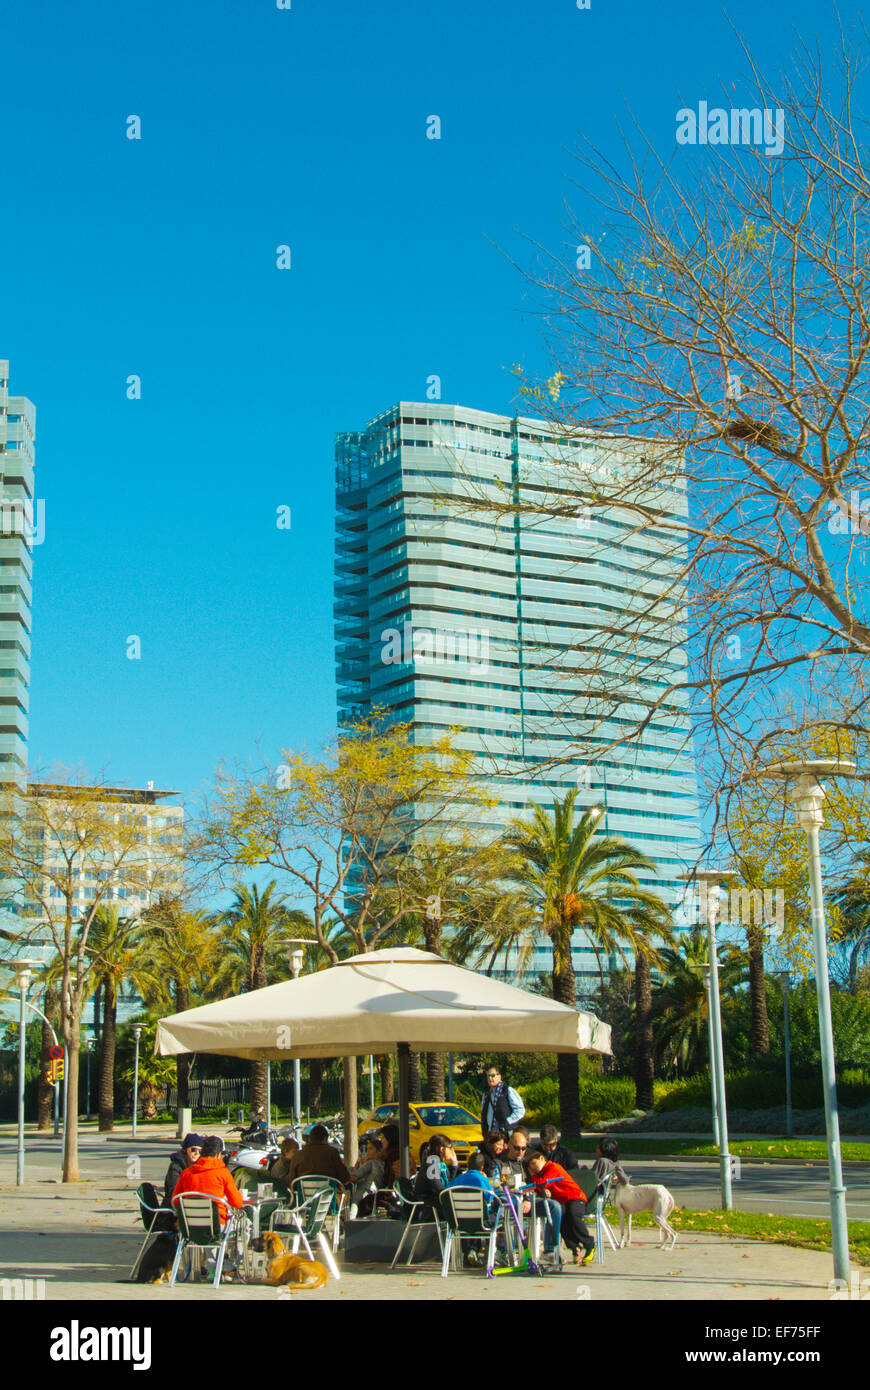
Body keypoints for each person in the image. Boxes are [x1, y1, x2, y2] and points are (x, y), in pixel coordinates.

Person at [524, 1148, 595, 1265]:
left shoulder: (553, 1168)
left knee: (573, 1214)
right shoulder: (541, 1174)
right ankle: (574, 1246)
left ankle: (589, 1244)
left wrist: (534, 1178)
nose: (533, 1168)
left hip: (575, 1197)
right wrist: (544, 1191)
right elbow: (542, 1188)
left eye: (534, 1163)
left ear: (542, 1158)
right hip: (562, 1201)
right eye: (530, 1166)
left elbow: (542, 1183)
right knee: (558, 1215)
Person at [503, 1126, 562, 1263]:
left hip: (529, 1201)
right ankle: (506, 1251)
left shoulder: (527, 1162)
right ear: (509, 1146)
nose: (521, 1152)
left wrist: (540, 1191)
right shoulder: (500, 1163)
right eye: (517, 1148)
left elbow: (536, 1183)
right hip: (511, 1201)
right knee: (510, 1204)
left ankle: (549, 1250)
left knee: (554, 1206)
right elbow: (499, 1186)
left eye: (524, 1148)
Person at [171, 1135, 244, 1225]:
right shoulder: (223, 1173)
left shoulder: (186, 1173)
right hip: (217, 1224)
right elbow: (237, 1202)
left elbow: (175, 1200)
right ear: (218, 1154)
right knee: (245, 1223)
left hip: (190, 1226)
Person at [447, 1151, 500, 1268]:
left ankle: (470, 1252)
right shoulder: (483, 1180)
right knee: (498, 1216)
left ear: (467, 1164)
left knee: (474, 1218)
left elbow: (447, 1191)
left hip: (459, 1221)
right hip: (480, 1220)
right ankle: (496, 1253)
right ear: (482, 1167)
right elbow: (490, 1197)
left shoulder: (459, 1179)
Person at [412, 1133, 458, 1213]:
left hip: (436, 1200)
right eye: (450, 1148)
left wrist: (454, 1163)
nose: (452, 1151)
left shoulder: (441, 1164)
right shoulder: (431, 1165)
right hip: (428, 1205)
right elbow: (439, 1189)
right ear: (442, 1149)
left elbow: (450, 1182)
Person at [162, 1132, 205, 1212]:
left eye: (200, 1151)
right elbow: (173, 1192)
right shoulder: (175, 1167)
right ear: (185, 1150)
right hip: (172, 1210)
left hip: (192, 1208)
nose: (197, 1153)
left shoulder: (200, 1167)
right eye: (193, 1150)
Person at [347, 1134, 387, 1218]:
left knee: (354, 1200)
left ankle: (351, 1221)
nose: (368, 1151)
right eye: (367, 1149)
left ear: (378, 1150)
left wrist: (349, 1171)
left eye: (371, 1149)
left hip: (367, 1189)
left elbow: (357, 1175)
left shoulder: (371, 1163)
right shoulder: (384, 1162)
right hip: (379, 1191)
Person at [481, 1064, 525, 1137]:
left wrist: (507, 1122)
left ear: (499, 1077)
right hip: (490, 1135)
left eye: (492, 1075)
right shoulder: (486, 1094)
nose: (490, 1078)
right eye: (488, 1076)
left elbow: (520, 1110)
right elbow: (483, 1115)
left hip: (505, 1134)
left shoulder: (507, 1090)